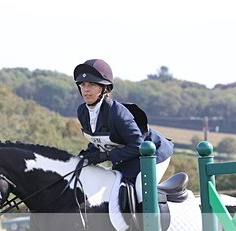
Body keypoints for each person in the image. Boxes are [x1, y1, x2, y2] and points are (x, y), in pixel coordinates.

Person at [74, 59, 174, 217]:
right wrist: (85, 156)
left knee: (141, 190)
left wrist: (106, 156)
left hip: (152, 154)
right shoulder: (83, 111)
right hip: (127, 156)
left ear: (104, 88)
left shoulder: (117, 113)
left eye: (91, 85)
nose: (86, 89)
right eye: (83, 84)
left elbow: (137, 145)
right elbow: (99, 139)